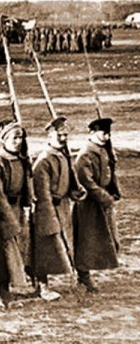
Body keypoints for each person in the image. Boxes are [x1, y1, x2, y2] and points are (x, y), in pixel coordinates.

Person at [32, 116, 86, 300]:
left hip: (62, 207)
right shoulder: (44, 160)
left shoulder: (63, 155)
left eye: (65, 135)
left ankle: (78, 278)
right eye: (59, 135)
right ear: (50, 136)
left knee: (65, 244)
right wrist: (49, 216)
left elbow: (68, 179)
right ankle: (42, 286)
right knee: (44, 247)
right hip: (47, 208)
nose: (63, 139)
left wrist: (75, 192)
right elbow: (42, 192)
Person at [0, 121, 31, 309]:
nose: (18, 141)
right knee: (1, 253)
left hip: (17, 209)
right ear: (3, 140)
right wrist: (9, 219)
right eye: (14, 137)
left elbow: (26, 184)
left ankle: (14, 287)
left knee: (17, 250)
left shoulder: (21, 159)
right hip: (3, 214)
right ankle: (1, 293)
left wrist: (27, 204)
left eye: (21, 137)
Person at [73, 117, 121, 293]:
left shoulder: (104, 150)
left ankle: (85, 275)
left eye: (108, 134)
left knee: (108, 239)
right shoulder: (86, 154)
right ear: (92, 133)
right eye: (103, 133)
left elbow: (110, 173)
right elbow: (86, 182)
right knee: (87, 241)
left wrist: (114, 191)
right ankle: (83, 276)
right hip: (89, 204)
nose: (106, 137)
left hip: (102, 201)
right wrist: (104, 197)